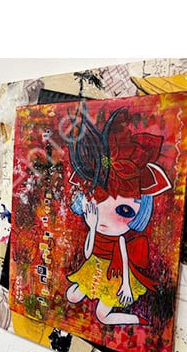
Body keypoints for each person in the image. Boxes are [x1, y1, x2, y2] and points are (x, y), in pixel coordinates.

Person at [64, 104, 171, 326]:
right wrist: (92, 226)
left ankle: (139, 320)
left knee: (102, 316)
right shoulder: (95, 224)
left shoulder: (120, 238)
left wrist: (126, 286)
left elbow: (124, 260)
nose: (106, 217)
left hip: (114, 276)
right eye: (96, 200)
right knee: (71, 296)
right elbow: (88, 253)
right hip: (93, 266)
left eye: (124, 210)